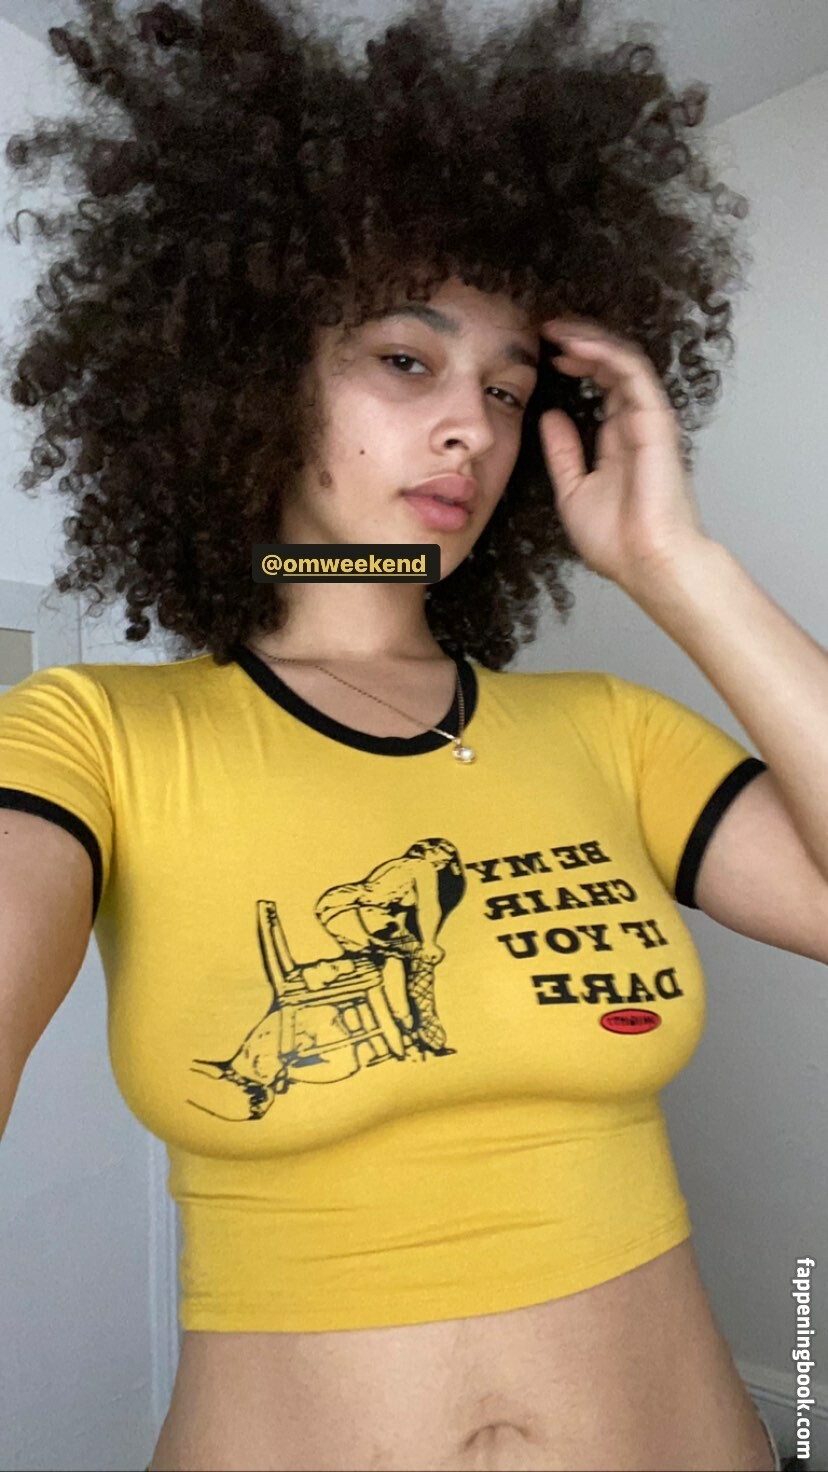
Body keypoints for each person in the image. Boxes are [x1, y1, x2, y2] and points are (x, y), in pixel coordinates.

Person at [2, 1, 821, 1468]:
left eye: (506, 389)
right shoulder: (95, 736)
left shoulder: (609, 732)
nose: (473, 429)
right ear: (255, 374)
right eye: (405, 361)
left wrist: (679, 567)